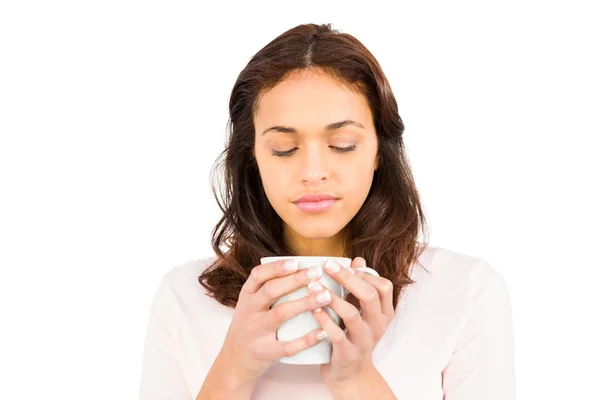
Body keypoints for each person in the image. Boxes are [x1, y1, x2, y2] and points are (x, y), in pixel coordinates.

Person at [138, 23, 515, 400]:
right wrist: (233, 368)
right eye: (284, 148)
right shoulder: (184, 297)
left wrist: (356, 379)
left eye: (342, 144)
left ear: (379, 153)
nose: (313, 172)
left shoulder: (463, 291)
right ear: (252, 157)